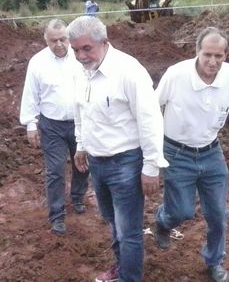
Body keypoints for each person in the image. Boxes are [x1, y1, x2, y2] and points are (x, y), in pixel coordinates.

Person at [153, 27, 229, 282]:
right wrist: (149, 149)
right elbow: (153, 107)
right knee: (181, 212)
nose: (213, 61)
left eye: (219, 55)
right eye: (207, 54)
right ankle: (163, 221)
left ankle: (213, 260)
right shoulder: (176, 74)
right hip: (176, 152)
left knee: (218, 214)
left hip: (211, 152)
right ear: (197, 51)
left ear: (226, 54)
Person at [67, 15, 167, 282]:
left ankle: (129, 278)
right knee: (113, 222)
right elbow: (81, 111)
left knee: (129, 231)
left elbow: (150, 119)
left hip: (126, 163)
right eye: (75, 49)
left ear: (104, 42)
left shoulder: (128, 71)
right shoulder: (81, 71)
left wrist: (151, 166)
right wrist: (81, 145)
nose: (80, 55)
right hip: (97, 163)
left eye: (86, 48)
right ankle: (121, 268)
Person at [19, 18, 89, 235]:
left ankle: (77, 197)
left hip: (80, 121)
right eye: (53, 41)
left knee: (83, 164)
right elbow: (31, 94)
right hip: (52, 125)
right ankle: (57, 215)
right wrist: (31, 123)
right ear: (45, 40)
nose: (59, 44)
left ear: (69, 38)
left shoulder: (80, 57)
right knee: (55, 170)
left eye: (62, 39)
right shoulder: (38, 63)